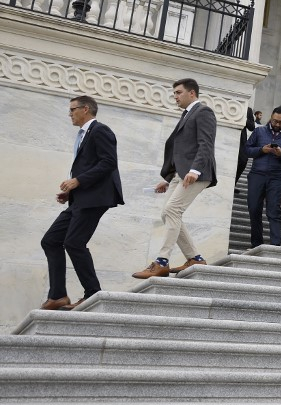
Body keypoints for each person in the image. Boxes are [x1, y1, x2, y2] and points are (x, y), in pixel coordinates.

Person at [39, 95, 124, 310]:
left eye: (72, 109)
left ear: (85, 109)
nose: (70, 114)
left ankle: (93, 293)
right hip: (81, 198)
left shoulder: (100, 130)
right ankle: (58, 295)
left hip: (95, 199)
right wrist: (71, 192)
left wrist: (78, 181)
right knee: (50, 240)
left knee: (74, 243)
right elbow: (91, 165)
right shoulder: (84, 134)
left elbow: (108, 162)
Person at [132, 78, 217, 279]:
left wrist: (195, 170)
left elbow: (206, 143)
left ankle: (162, 261)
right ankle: (194, 258)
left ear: (192, 93)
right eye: (174, 93)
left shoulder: (203, 112)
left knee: (172, 210)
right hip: (181, 174)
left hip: (197, 173)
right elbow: (180, 150)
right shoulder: (186, 115)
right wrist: (169, 179)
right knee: (168, 213)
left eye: (178, 92)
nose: (175, 96)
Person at [244, 105, 281, 248]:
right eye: (274, 121)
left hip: (277, 177)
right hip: (257, 174)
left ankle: (275, 245)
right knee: (254, 209)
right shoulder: (259, 131)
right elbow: (247, 150)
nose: (276, 124)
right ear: (271, 118)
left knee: (274, 211)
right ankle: (256, 244)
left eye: (280, 122)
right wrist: (261, 150)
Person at [234, 107, 256, 193]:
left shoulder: (247, 109)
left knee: (242, 161)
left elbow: (252, 126)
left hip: (241, 140)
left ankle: (233, 183)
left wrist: (243, 118)